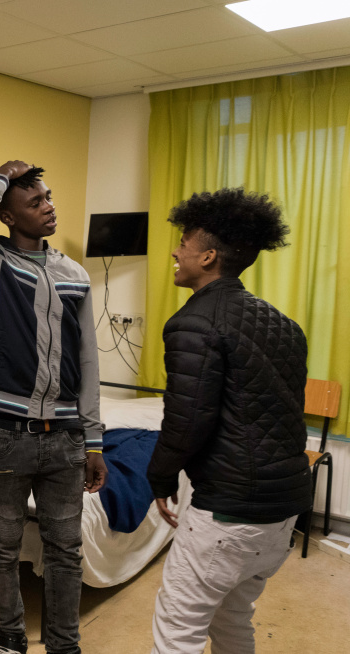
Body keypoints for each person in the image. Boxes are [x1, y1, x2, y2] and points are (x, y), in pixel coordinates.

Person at [0, 160, 107, 654]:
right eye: (35, 202)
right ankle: (11, 638)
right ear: (8, 216)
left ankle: (65, 645)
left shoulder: (75, 274)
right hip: (4, 433)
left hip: (64, 439)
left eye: (49, 197)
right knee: (2, 548)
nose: (49, 206)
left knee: (65, 550)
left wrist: (94, 439)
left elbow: (87, 360)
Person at [148, 188, 309, 654]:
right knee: (233, 618)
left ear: (209, 256)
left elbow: (186, 421)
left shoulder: (194, 323)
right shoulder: (284, 324)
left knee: (178, 626)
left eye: (184, 241)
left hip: (229, 510)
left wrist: (158, 477)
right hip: (285, 507)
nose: (176, 252)